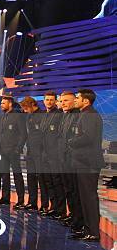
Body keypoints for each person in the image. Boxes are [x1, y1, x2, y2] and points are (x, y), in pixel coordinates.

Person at [67, 89, 104, 242]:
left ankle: (93, 232)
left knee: (89, 198)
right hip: (83, 161)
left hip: (87, 162)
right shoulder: (86, 114)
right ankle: (87, 229)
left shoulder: (89, 115)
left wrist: (71, 141)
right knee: (85, 198)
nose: (75, 100)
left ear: (86, 101)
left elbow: (87, 138)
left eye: (77, 98)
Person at [58, 91, 84, 232]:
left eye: (66, 101)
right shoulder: (64, 116)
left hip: (74, 160)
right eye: (61, 101)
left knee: (75, 191)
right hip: (64, 159)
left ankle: (79, 221)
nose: (63, 103)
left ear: (74, 101)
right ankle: (73, 216)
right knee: (69, 190)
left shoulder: (78, 116)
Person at [0, 96, 26, 208]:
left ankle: (21, 200)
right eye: (1, 103)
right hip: (2, 151)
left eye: (3, 103)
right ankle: (5, 198)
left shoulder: (18, 116)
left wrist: (18, 149)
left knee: (17, 175)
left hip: (13, 151)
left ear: (10, 103)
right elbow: (1, 134)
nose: (1, 105)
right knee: (4, 175)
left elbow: (23, 135)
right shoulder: (3, 117)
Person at [20, 96, 47, 212]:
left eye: (26, 108)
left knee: (42, 179)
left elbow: (43, 135)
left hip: (40, 151)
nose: (25, 111)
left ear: (32, 104)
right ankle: (32, 202)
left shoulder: (42, 115)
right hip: (30, 150)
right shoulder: (29, 116)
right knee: (31, 178)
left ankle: (44, 205)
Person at [41, 91, 65, 217]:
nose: (49, 102)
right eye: (47, 99)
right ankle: (53, 207)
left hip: (55, 155)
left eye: (51, 100)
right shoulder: (44, 115)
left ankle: (61, 210)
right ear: (44, 101)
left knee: (57, 182)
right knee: (49, 182)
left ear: (55, 101)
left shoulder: (59, 115)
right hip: (45, 155)